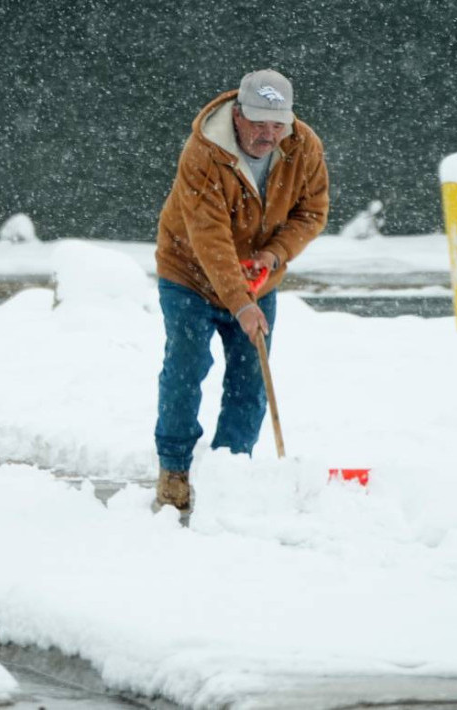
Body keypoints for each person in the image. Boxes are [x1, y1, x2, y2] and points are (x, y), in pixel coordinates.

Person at [153, 69, 330, 510]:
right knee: (186, 367)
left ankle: (232, 469)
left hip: (258, 275)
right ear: (237, 115)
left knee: (251, 377)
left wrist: (275, 253)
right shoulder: (204, 153)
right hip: (189, 274)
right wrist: (240, 303)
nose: (268, 134)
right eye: (258, 123)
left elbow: (312, 211)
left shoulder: (303, 145)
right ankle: (174, 468)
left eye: (277, 124)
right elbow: (208, 237)